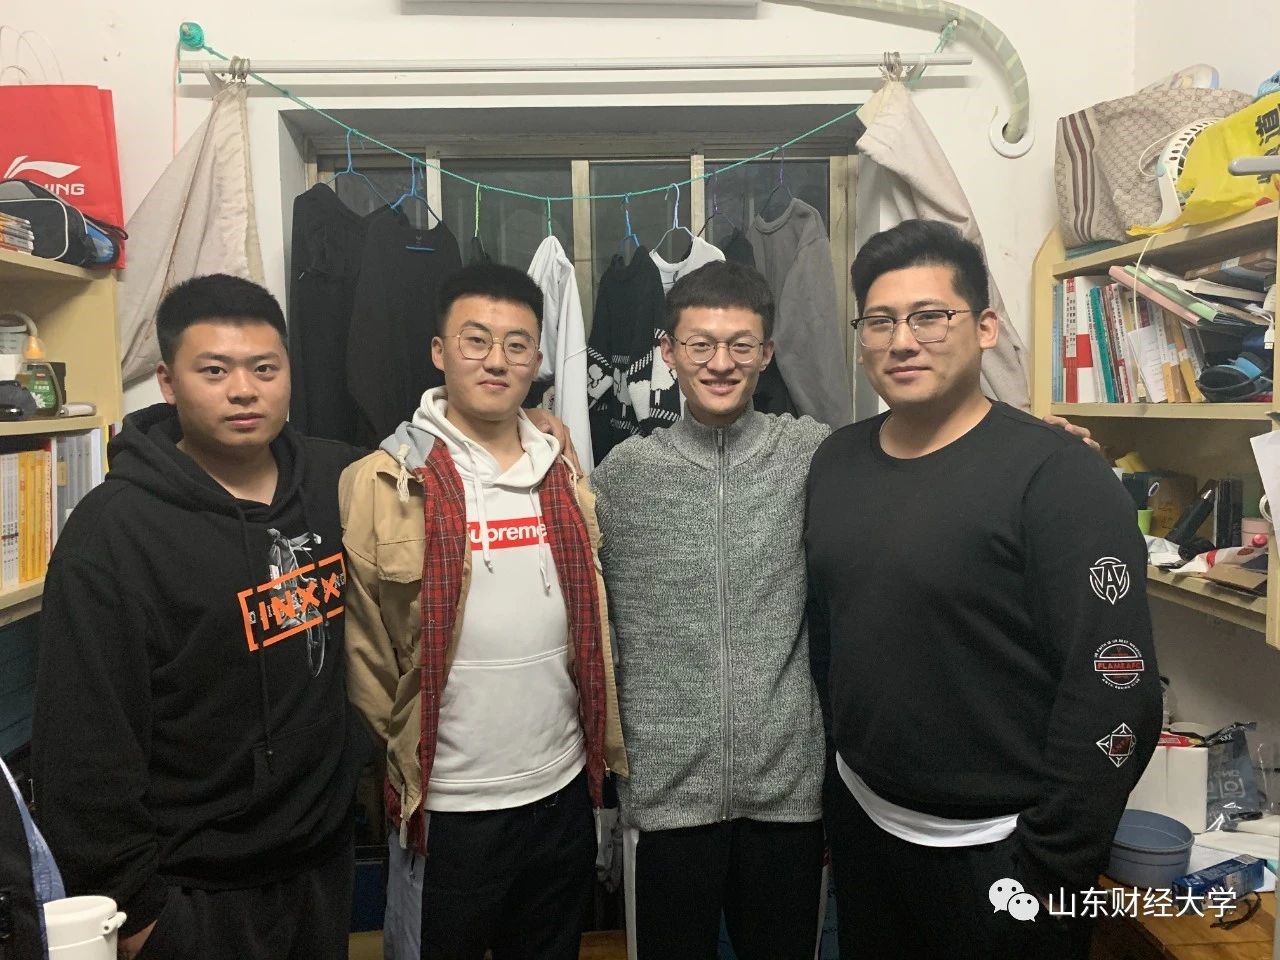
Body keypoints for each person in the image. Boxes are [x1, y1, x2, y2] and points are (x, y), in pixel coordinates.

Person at [806, 219, 1161, 959]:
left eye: (930, 316)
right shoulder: (835, 463)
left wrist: (1052, 863)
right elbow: (832, 635)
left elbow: (1116, 686)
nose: (903, 341)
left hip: (1006, 855)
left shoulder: (1059, 476)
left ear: (986, 328)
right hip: (867, 831)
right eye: (880, 321)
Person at [32, 274, 369, 960]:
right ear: (167, 381)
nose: (244, 390)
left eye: (264, 369)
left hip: (320, 863)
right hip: (193, 895)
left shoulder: (340, 480)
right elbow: (82, 745)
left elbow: (441, 468)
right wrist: (137, 914)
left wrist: (533, 426)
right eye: (214, 371)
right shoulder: (113, 533)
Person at [340, 262, 625, 960]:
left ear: (537, 360)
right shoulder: (383, 480)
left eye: (517, 344)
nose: (497, 360)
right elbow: (367, 655)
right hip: (450, 805)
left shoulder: (561, 467)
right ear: (440, 352)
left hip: (561, 791)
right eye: (476, 340)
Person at [590, 260, 830, 960]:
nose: (720, 363)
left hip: (787, 793)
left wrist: (1030, 442)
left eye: (740, 345)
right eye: (700, 345)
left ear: (766, 353)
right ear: (668, 351)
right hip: (666, 797)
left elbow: (911, 457)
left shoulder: (810, 455)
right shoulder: (622, 478)